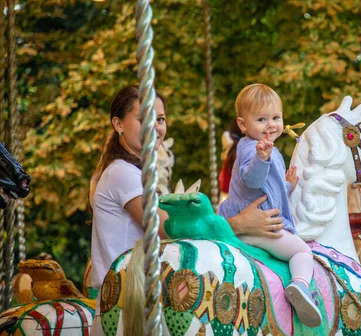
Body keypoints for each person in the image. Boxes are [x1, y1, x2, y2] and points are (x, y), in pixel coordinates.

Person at [90, 85, 283, 335]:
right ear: (118, 124)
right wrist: (238, 224)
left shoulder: (136, 172)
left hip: (145, 294)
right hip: (125, 302)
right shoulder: (122, 173)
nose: (155, 127)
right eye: (143, 119)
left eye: (160, 119)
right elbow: (167, 229)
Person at [219, 83, 321, 328]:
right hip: (259, 226)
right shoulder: (252, 149)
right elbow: (251, 178)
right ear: (244, 125)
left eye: (276, 117)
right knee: (302, 251)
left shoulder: (266, 149)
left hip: (256, 219)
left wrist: (286, 187)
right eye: (262, 119)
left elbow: (266, 190)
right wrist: (261, 159)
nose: (271, 125)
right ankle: (300, 286)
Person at [218, 119, 243, 198]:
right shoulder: (238, 147)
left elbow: (226, 134)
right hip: (237, 192)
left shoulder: (229, 143)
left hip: (227, 191)